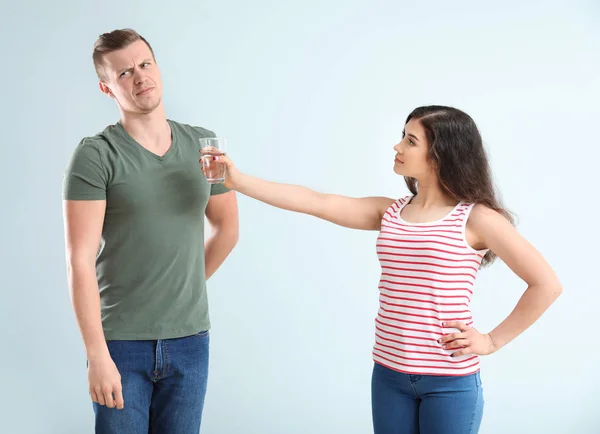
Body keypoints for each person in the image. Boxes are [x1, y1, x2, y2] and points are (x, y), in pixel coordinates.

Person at [201, 105, 562, 434]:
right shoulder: (390, 212)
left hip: (449, 382)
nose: (397, 147)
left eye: (410, 140)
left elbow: (545, 284)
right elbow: (316, 202)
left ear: (439, 154)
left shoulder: (478, 219)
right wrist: (237, 180)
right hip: (389, 375)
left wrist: (492, 340)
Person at [62, 28, 239, 434]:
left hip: (191, 340)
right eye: (124, 73)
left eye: (145, 64)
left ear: (157, 67)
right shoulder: (96, 155)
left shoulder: (202, 144)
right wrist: (97, 355)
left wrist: (180, 287)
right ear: (107, 88)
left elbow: (227, 228)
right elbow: (79, 261)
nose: (140, 77)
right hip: (120, 345)